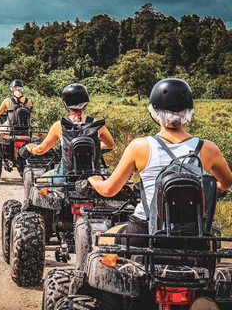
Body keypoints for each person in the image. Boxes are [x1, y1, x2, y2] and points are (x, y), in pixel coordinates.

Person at [87, 78, 232, 246]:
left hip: (145, 230)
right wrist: (213, 190)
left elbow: (109, 190)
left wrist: (95, 181)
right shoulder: (208, 148)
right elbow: (227, 182)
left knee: (103, 238)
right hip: (194, 234)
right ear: (189, 111)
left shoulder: (140, 146)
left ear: (154, 112)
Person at [22, 83, 114, 176]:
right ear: (86, 101)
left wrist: (31, 148)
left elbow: (41, 150)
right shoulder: (96, 124)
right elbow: (110, 144)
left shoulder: (59, 125)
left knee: (41, 180)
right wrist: (97, 145)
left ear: (65, 104)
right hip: (93, 175)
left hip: (66, 175)